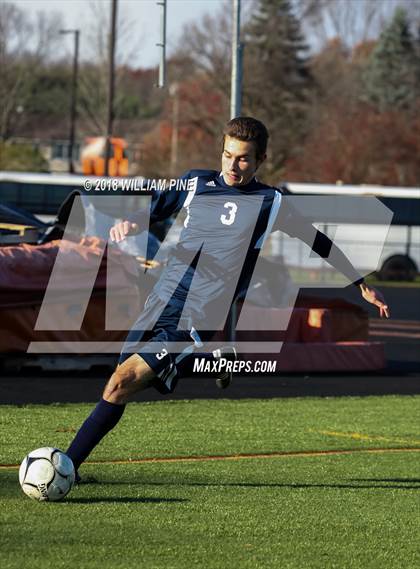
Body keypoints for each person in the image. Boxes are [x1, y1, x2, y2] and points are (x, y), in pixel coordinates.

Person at [66, 117, 389, 479]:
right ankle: (214, 362)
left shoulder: (273, 203)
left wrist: (359, 281)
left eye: (244, 159)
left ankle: (67, 466)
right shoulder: (195, 182)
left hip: (201, 311)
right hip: (162, 299)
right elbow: (156, 209)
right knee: (122, 382)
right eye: (227, 155)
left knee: (121, 382)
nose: (233, 166)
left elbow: (317, 241)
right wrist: (132, 224)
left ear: (261, 160)